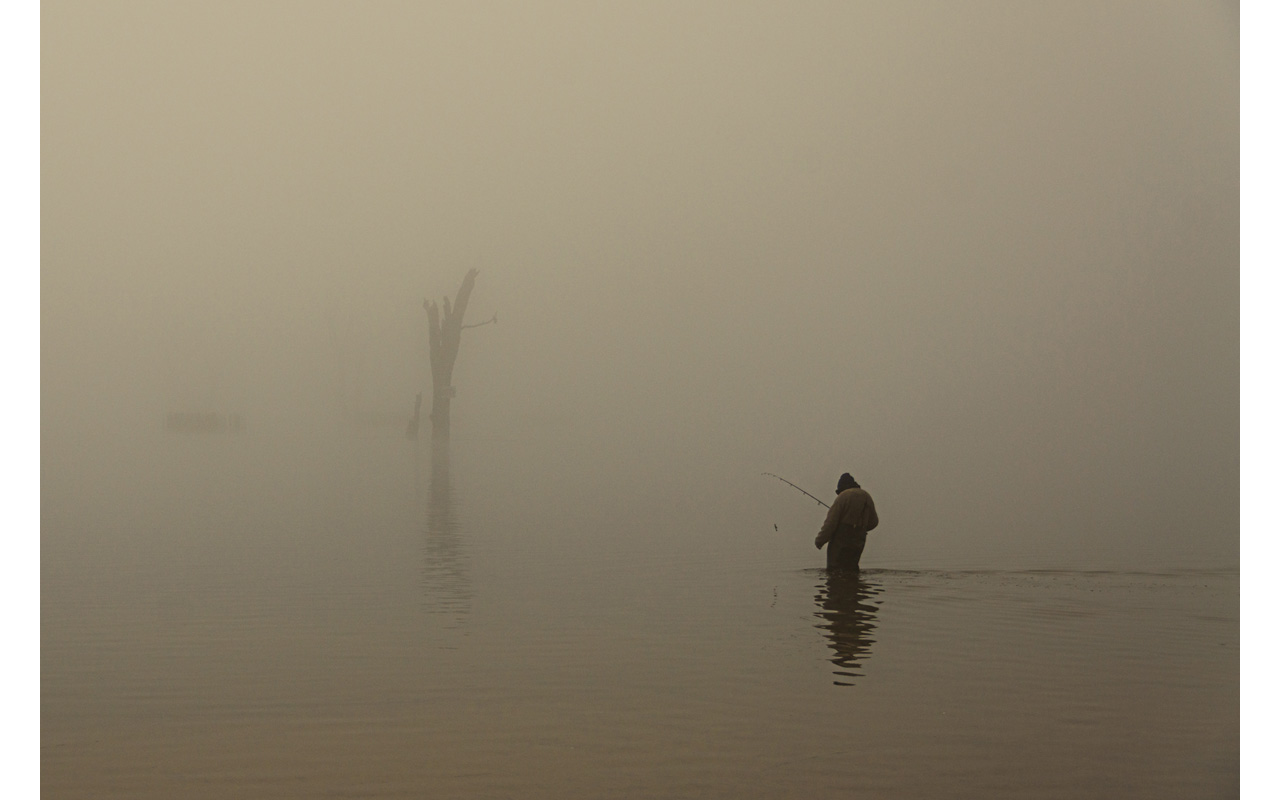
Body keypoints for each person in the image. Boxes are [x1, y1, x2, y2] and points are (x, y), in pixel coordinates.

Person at [815, 473, 879, 570]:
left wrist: (819, 541)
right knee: (852, 569)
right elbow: (874, 522)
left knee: (835, 571)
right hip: (859, 540)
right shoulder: (866, 496)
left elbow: (831, 523)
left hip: (841, 542)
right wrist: (860, 529)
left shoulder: (843, 497)